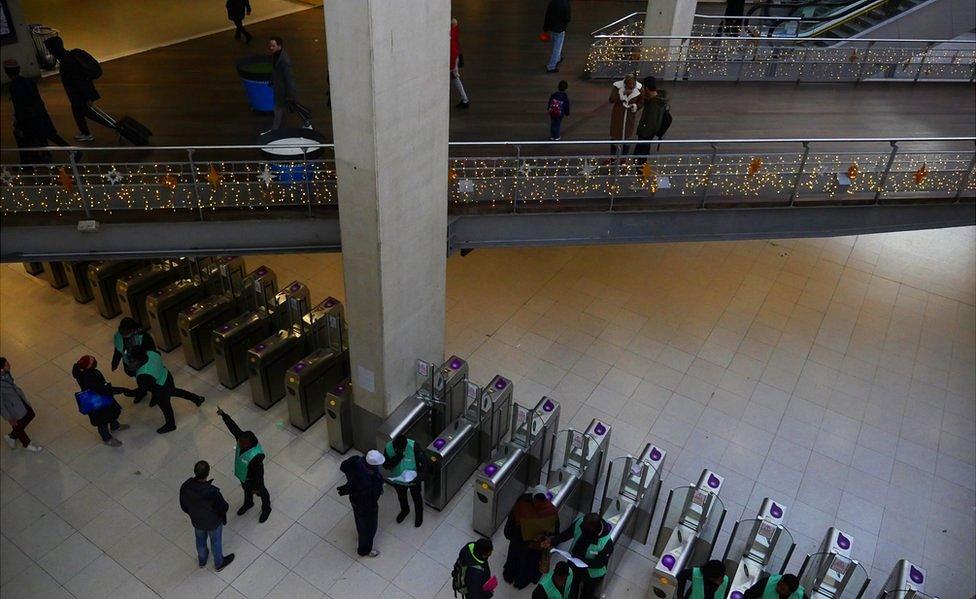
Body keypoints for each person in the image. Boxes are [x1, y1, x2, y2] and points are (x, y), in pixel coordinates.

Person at [125, 346, 204, 434]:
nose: (130, 362)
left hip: (159, 388)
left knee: (165, 407)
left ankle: (170, 425)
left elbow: (142, 390)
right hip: (166, 376)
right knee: (176, 391)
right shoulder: (151, 353)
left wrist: (129, 393)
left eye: (132, 360)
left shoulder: (143, 374)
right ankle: (197, 399)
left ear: (138, 359)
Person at [4, 59, 69, 164]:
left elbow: (19, 107)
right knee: (48, 135)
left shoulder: (14, 86)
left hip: (29, 117)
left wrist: (19, 122)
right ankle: (67, 151)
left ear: (6, 72)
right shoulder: (29, 81)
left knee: (36, 136)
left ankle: (34, 160)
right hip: (39, 112)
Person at [42, 36, 103, 142]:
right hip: (78, 97)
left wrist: (88, 97)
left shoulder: (66, 63)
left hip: (80, 96)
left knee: (88, 113)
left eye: (49, 49)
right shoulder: (68, 57)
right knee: (78, 112)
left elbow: (79, 82)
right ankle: (85, 132)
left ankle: (114, 127)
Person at [217, 407, 271, 523]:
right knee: (246, 489)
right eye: (239, 441)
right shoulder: (242, 438)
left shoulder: (256, 456)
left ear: (249, 444)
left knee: (262, 491)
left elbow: (259, 475)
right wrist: (224, 415)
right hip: (244, 475)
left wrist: (256, 488)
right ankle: (248, 503)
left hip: (253, 478)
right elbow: (233, 427)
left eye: (242, 443)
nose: (239, 443)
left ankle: (266, 508)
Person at [179, 461, 235, 572]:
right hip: (213, 522)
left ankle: (202, 560)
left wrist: (192, 513)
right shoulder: (212, 492)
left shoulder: (186, 486)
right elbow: (223, 507)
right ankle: (219, 563)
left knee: (200, 540)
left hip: (197, 521)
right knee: (215, 542)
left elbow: (183, 505)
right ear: (208, 473)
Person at [503, 485, 559, 589]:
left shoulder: (523, 501)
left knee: (516, 559)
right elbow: (554, 529)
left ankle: (511, 576)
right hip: (530, 544)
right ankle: (518, 580)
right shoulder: (549, 509)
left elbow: (512, 518)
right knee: (526, 563)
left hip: (522, 541)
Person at [549, 512, 614, 599]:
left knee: (587, 594)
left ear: (594, 528)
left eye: (585, 527)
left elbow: (600, 563)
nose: (581, 526)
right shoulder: (581, 522)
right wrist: (552, 542)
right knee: (572, 589)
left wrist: (581, 560)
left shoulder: (606, 543)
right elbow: (566, 535)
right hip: (573, 564)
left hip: (591, 574)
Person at [71, 355, 129, 447]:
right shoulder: (90, 376)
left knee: (111, 413)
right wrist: (119, 390)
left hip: (101, 398)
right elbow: (102, 389)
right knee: (102, 421)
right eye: (93, 361)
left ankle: (115, 426)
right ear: (89, 366)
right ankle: (107, 438)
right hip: (97, 402)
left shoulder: (80, 371)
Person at [338, 449, 385, 557]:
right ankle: (364, 550)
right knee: (370, 528)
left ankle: (360, 533)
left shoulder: (356, 461)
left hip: (355, 500)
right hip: (367, 506)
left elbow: (343, 466)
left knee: (359, 519)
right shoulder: (370, 481)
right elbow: (374, 496)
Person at [266, 37, 311, 131]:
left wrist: (290, 94)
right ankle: (305, 122)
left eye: (273, 46)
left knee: (280, 109)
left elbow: (289, 78)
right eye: (270, 46)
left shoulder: (284, 60)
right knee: (285, 109)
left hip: (284, 91)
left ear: (279, 46)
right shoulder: (276, 56)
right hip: (280, 90)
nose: (271, 48)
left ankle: (274, 131)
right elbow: (275, 72)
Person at [383, 434, 427, 528]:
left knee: (417, 498)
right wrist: (398, 457)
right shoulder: (388, 447)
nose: (404, 449)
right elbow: (386, 465)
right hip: (398, 479)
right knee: (401, 497)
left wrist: (420, 477)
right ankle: (405, 510)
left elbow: (424, 463)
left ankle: (419, 515)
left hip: (413, 479)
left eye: (405, 448)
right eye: (402, 449)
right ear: (395, 447)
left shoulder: (413, 446)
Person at [0, 358, 42, 452]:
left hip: (18, 399)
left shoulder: (6, 374)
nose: (10, 365)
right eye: (7, 365)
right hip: (12, 407)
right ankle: (26, 444)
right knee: (17, 424)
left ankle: (12, 436)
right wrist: (9, 418)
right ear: (1, 369)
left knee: (31, 414)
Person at [111, 317, 157, 401]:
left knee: (148, 379)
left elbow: (152, 352)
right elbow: (118, 350)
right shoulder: (119, 336)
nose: (124, 335)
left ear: (133, 329)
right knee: (139, 379)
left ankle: (154, 394)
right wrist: (114, 363)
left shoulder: (143, 337)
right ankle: (143, 391)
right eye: (122, 332)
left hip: (144, 364)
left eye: (127, 332)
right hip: (130, 363)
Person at [633, 76, 670, 165]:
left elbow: (652, 123)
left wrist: (642, 132)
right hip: (649, 133)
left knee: (641, 153)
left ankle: (640, 168)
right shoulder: (658, 99)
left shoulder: (654, 105)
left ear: (646, 88)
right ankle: (641, 165)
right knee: (643, 151)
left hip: (646, 133)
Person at [608, 75, 642, 159]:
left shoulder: (640, 88)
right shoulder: (617, 87)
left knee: (627, 137)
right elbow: (611, 99)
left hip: (629, 116)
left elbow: (641, 102)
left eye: (632, 86)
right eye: (629, 86)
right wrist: (621, 95)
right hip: (618, 115)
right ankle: (612, 157)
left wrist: (634, 106)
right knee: (615, 137)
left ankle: (623, 158)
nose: (631, 88)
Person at [543, 0, 571, 73]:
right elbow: (568, 18)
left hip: (551, 27)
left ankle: (558, 58)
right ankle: (551, 66)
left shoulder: (553, 2)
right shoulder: (565, 3)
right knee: (557, 47)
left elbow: (547, 14)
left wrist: (545, 27)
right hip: (560, 28)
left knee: (554, 44)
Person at [450, 18, 470, 109]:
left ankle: (465, 99)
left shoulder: (452, 34)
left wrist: (453, 65)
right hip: (455, 58)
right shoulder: (455, 30)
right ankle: (465, 99)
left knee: (455, 78)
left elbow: (453, 49)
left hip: (453, 60)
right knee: (455, 78)